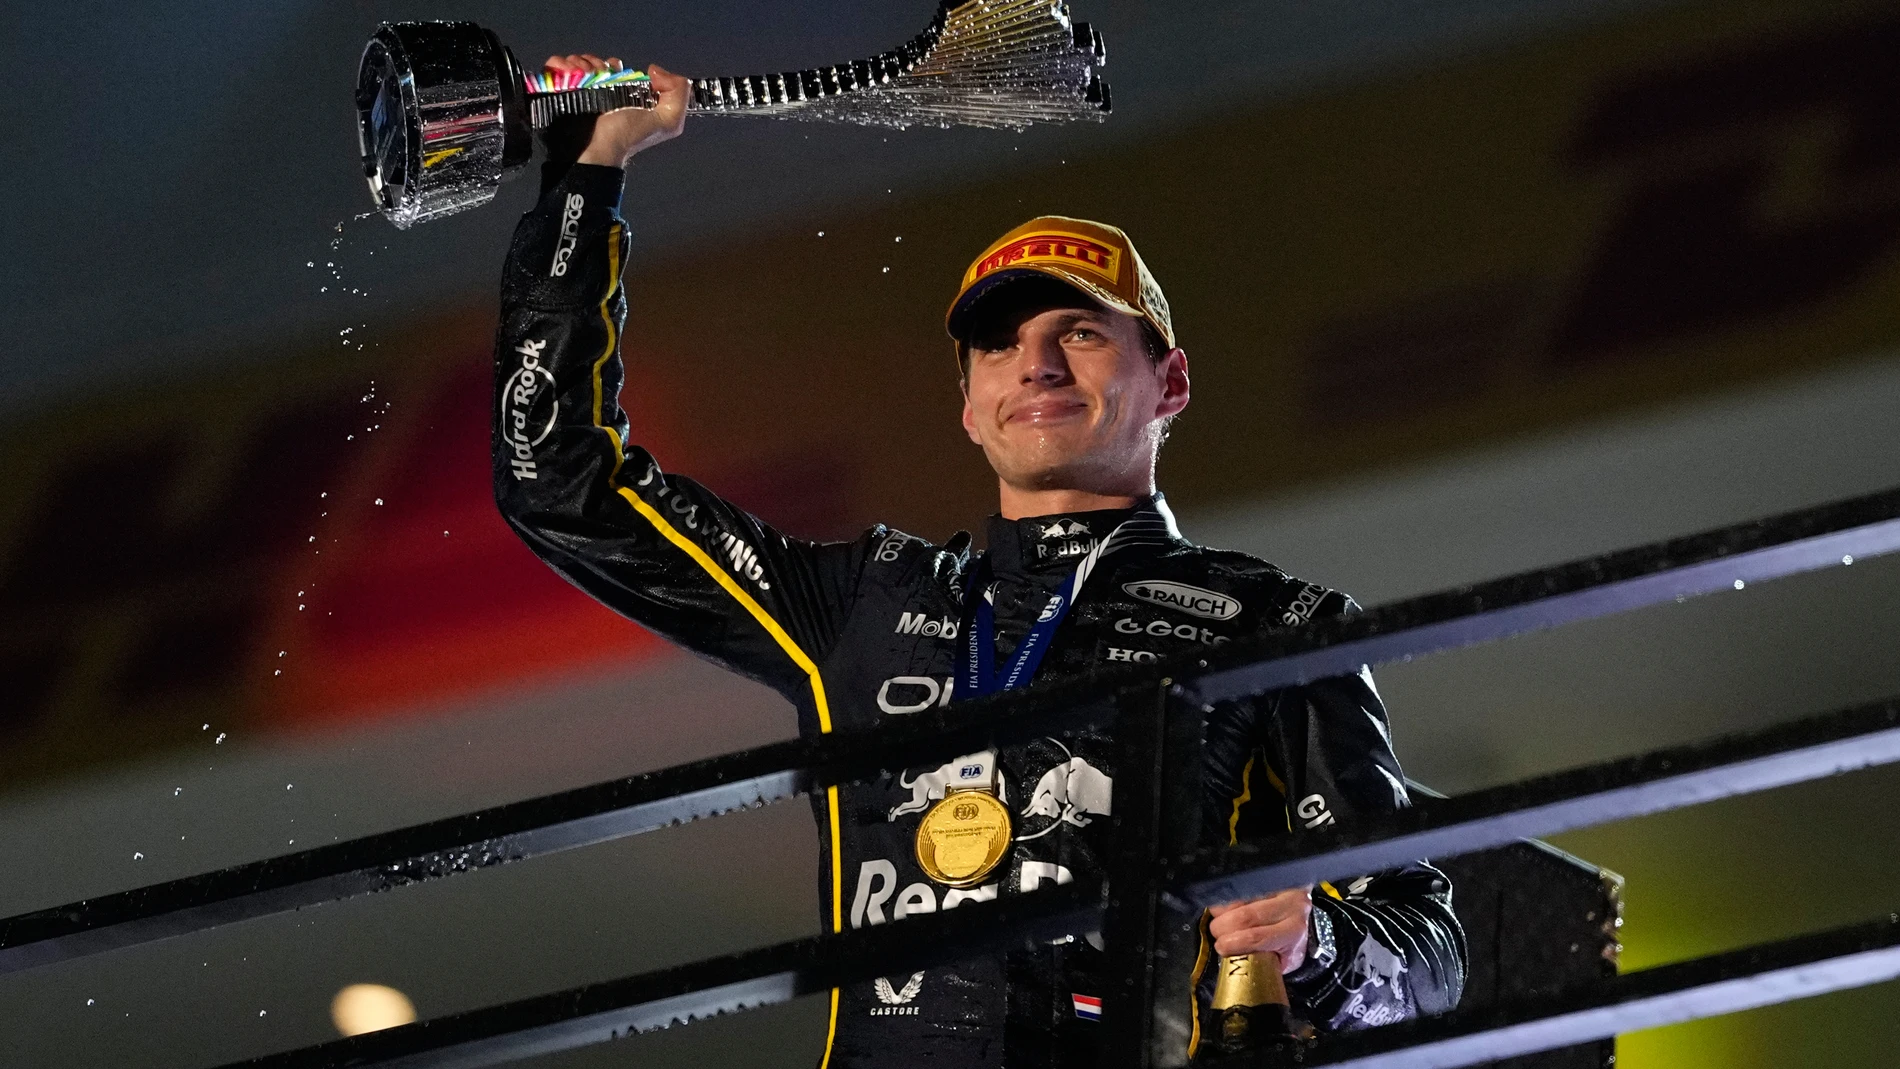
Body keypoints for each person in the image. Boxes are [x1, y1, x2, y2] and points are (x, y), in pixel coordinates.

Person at [492, 54, 1465, 1069]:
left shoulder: (1276, 622)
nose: (1035, 365)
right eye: (998, 346)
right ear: (968, 405)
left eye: (1079, 332)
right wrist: (584, 184)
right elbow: (558, 484)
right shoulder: (866, 601)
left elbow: (1431, 960)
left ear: (1169, 382)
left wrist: (1316, 943)